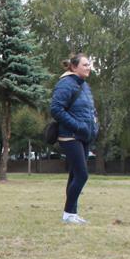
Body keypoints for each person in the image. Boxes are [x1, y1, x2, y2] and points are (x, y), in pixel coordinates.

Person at [50, 53, 99, 224]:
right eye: (85, 65)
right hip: (70, 136)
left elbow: (91, 110)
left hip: (84, 136)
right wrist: (77, 126)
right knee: (82, 175)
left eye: (89, 64)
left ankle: (72, 213)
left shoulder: (84, 85)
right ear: (74, 67)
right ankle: (68, 214)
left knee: (74, 175)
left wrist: (95, 126)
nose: (88, 67)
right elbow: (56, 109)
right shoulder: (65, 84)